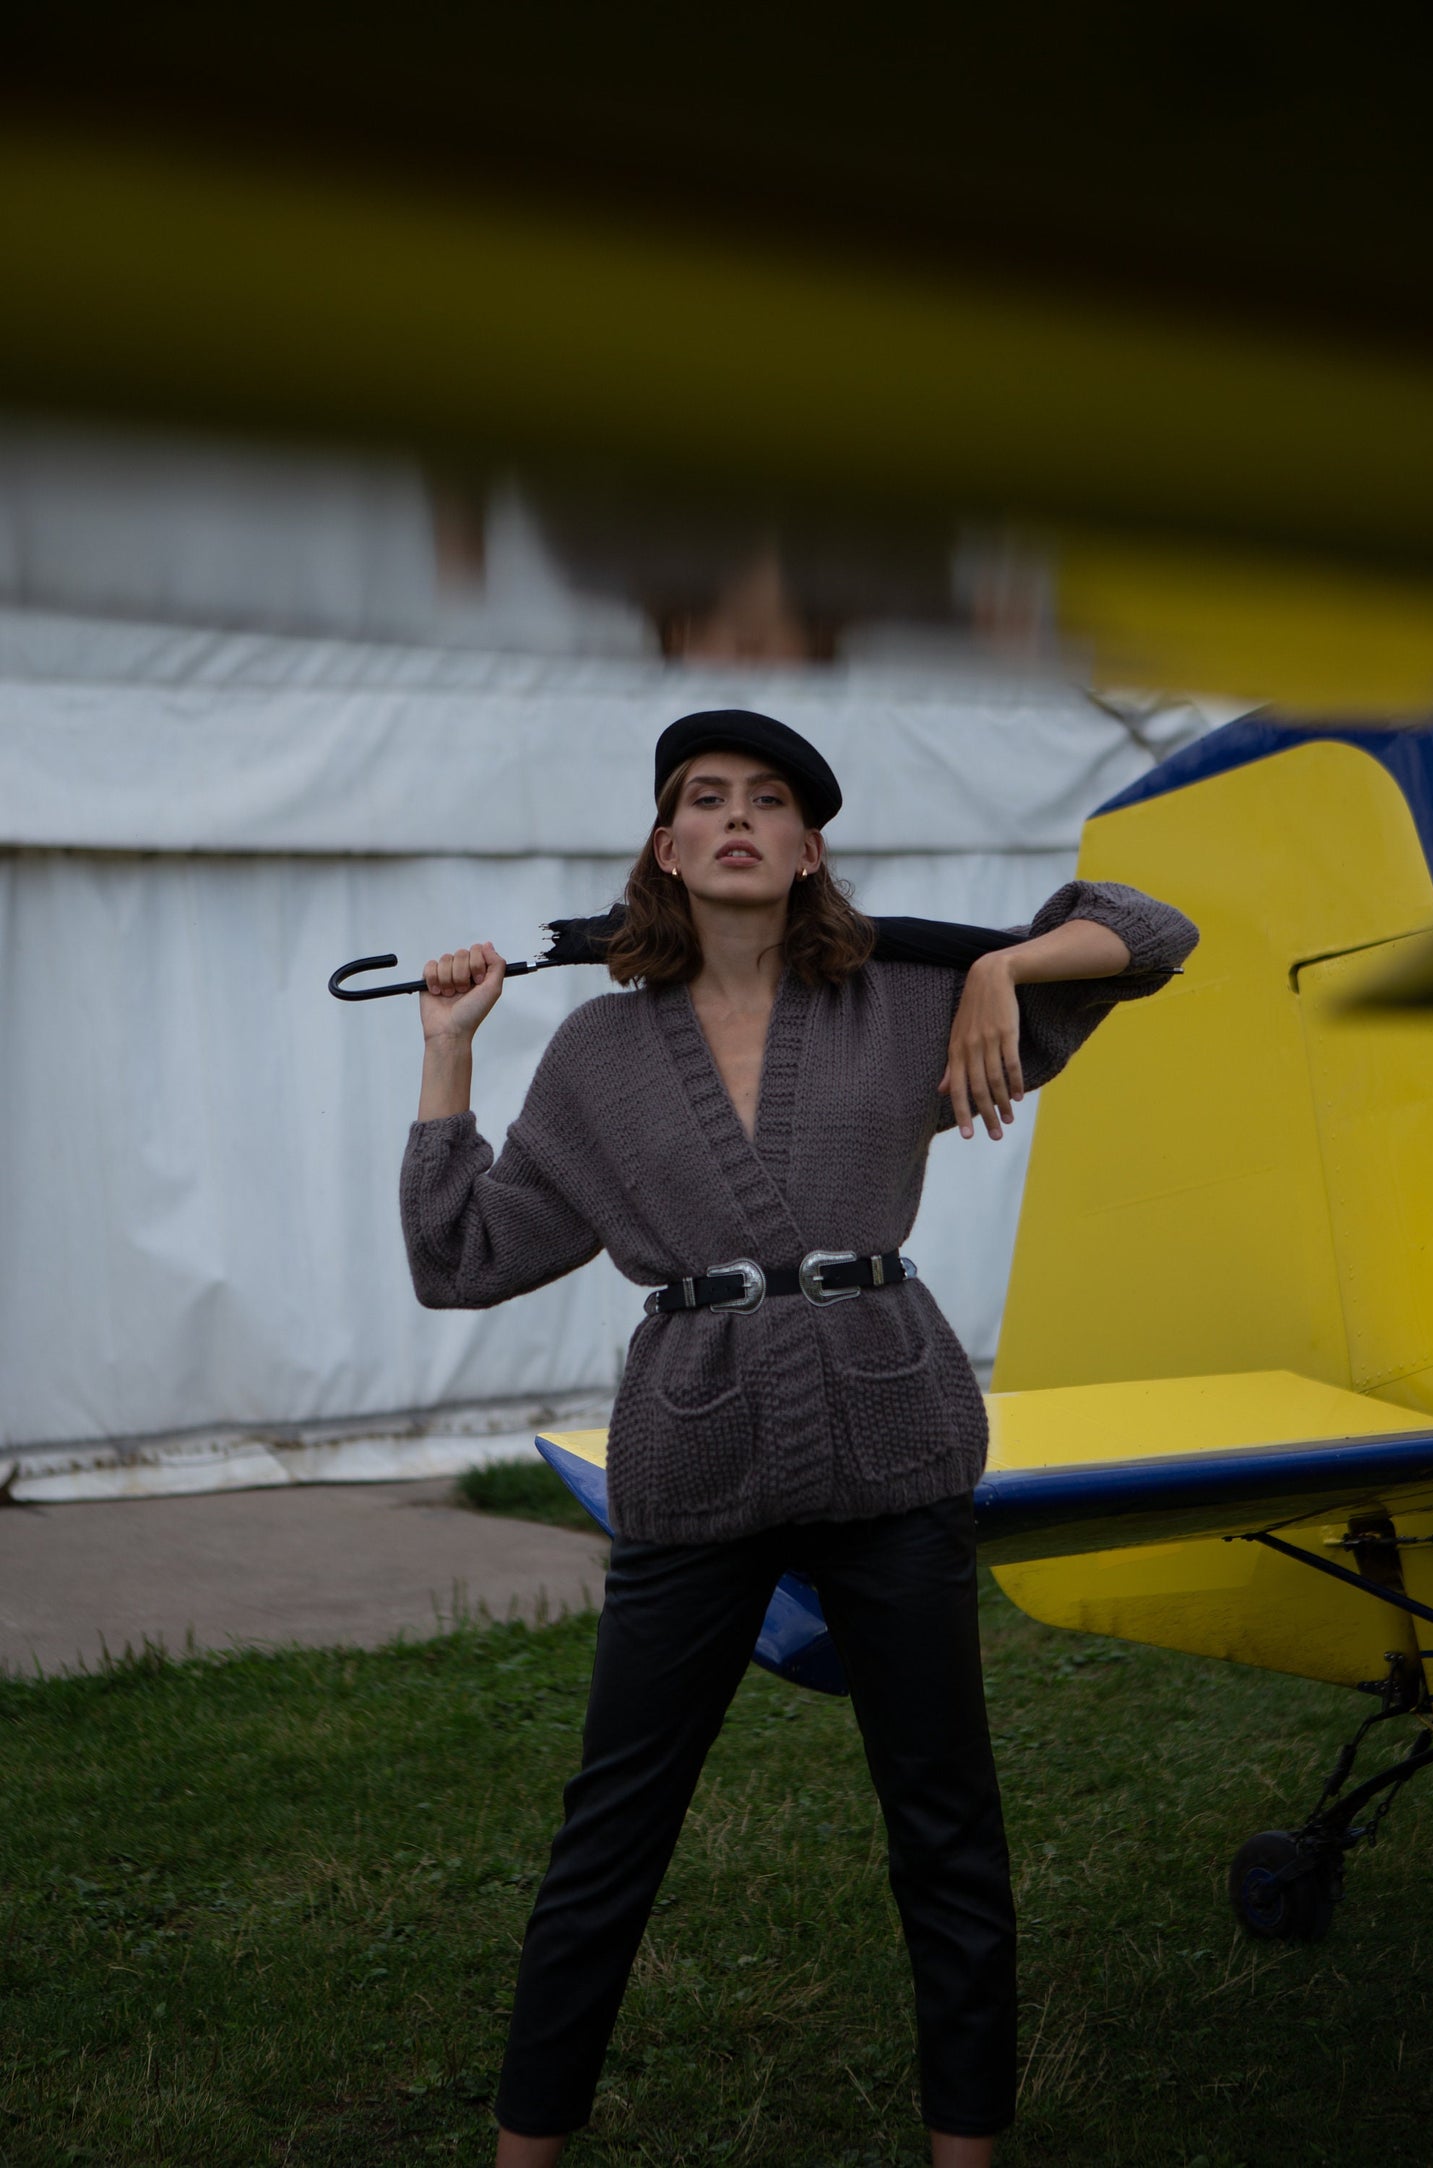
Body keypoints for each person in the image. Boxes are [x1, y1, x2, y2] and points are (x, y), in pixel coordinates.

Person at [399, 709, 1198, 2165]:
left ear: (810, 845)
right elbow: (461, 1258)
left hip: (892, 1436)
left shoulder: (908, 1001)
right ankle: (523, 2156)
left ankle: (967, 2150)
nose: (737, 819)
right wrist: (451, 1050)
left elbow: (1151, 931)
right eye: (703, 800)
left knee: (943, 1820)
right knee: (609, 1835)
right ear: (665, 847)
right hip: (695, 1456)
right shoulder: (592, 1050)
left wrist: (1001, 969)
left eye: (771, 800)